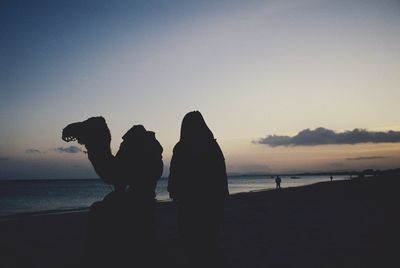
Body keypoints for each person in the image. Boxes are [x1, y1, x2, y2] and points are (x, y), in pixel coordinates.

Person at [168, 111, 229, 267]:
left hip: (189, 205)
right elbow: (221, 175)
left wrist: (176, 194)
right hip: (212, 204)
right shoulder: (213, 146)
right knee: (209, 244)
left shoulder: (182, 148)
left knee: (193, 248)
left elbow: (174, 177)